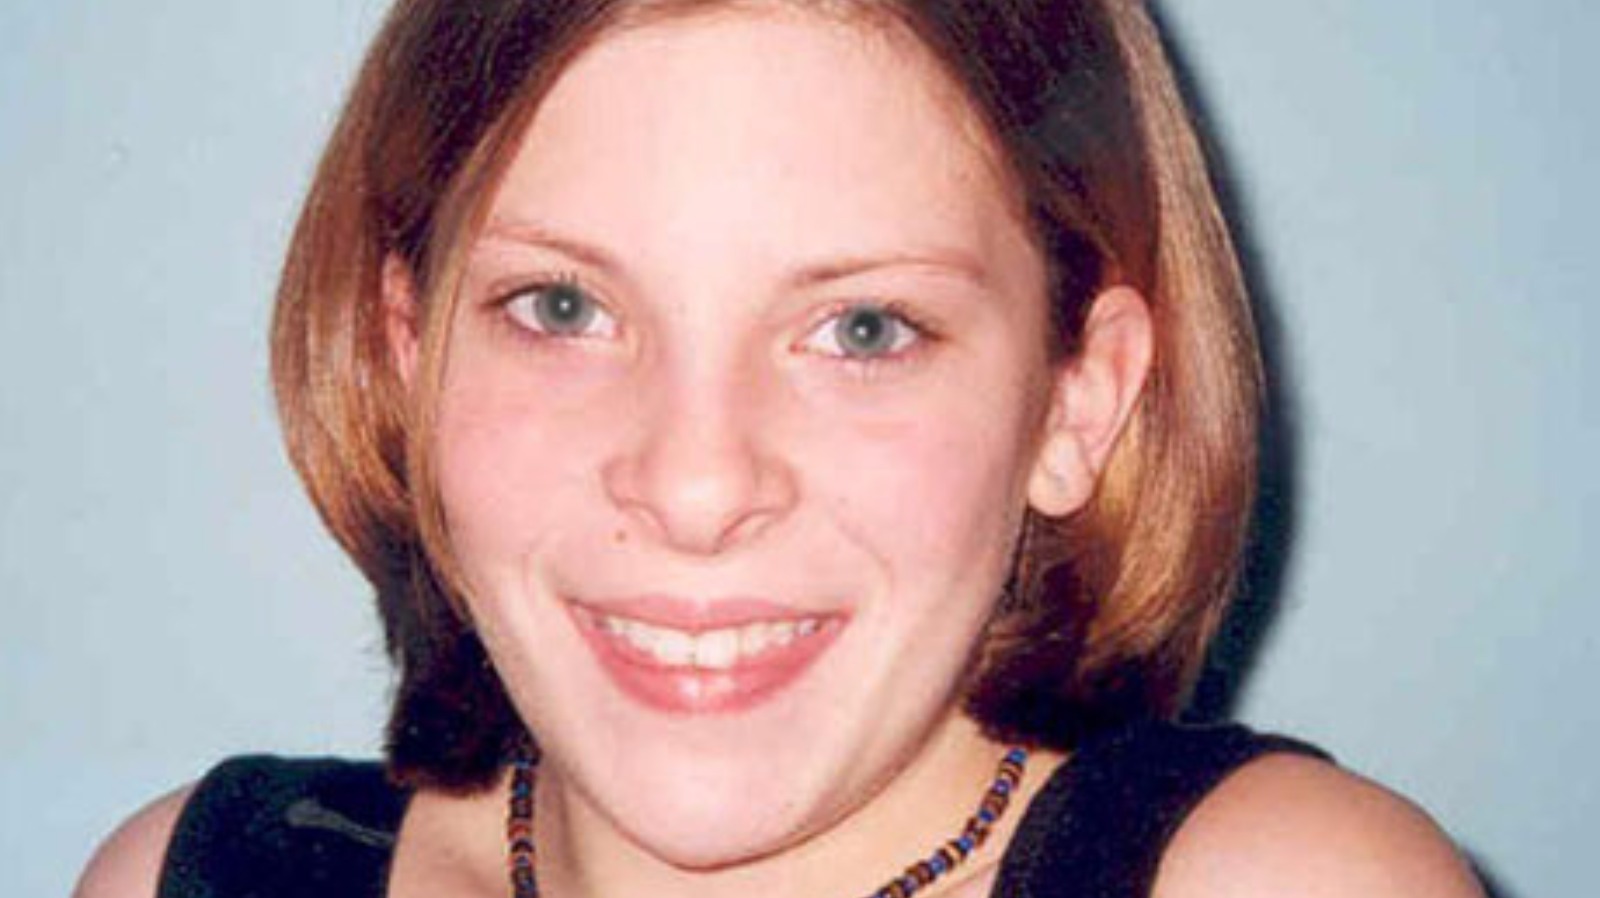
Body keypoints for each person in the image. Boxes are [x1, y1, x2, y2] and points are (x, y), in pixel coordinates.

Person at [77, 1, 1485, 896]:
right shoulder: (183, 878)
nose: (696, 486)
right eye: (562, 308)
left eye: (863, 329)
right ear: (408, 356)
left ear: (1076, 401)